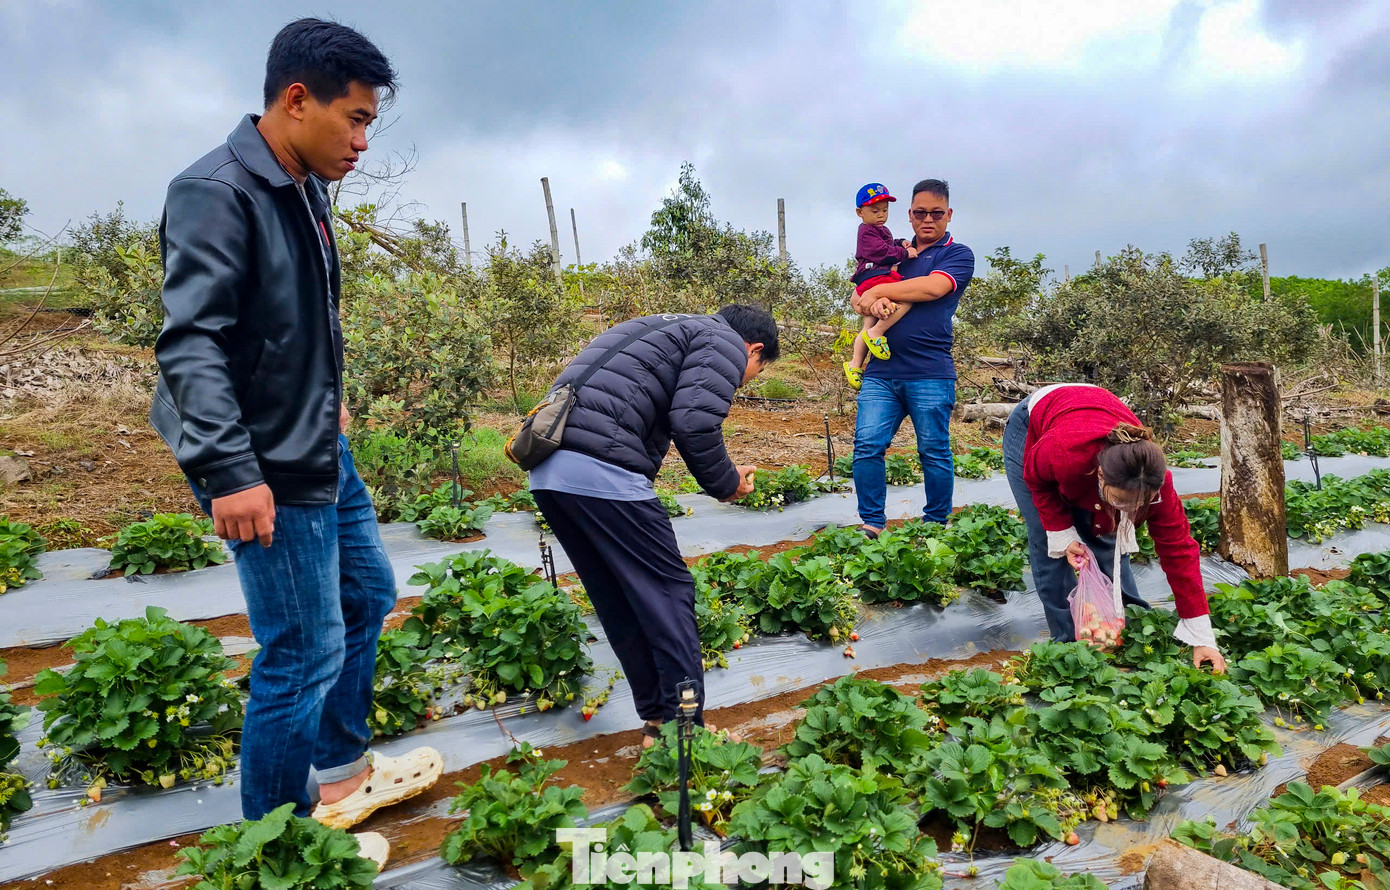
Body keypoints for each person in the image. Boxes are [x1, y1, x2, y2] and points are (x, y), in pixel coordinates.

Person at [149, 18, 438, 868]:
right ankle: (273, 849)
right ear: (295, 98)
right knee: (300, 648)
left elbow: (300, 316)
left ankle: (340, 773)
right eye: (352, 119)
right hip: (259, 459)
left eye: (368, 125)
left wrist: (330, 396)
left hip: (314, 438)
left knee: (366, 593)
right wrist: (231, 472)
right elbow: (192, 342)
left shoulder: (302, 181)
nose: (360, 141)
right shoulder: (216, 190)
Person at [528, 306, 777, 749]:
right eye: (755, 371)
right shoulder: (722, 341)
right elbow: (694, 421)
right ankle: (684, 731)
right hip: (601, 468)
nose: (745, 381)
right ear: (754, 349)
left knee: (621, 598)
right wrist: (727, 482)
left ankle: (661, 723)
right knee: (668, 592)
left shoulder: (661, 326)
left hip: (550, 471)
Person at [1002, 383, 1228, 671]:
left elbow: (1179, 550)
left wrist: (1201, 635)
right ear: (1099, 476)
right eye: (1120, 501)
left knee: (1107, 536)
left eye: (1137, 506)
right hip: (1033, 423)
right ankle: (1069, 648)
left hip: (1090, 415)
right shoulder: (1063, 454)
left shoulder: (1158, 485)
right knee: (1051, 546)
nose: (1129, 512)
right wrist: (1062, 532)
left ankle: (1128, 628)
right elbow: (1036, 480)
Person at [848, 179, 975, 537]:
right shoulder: (894, 251)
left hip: (931, 371)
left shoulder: (957, 254)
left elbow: (933, 287)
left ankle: (935, 523)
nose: (928, 220)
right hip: (881, 372)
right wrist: (864, 298)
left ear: (948, 215)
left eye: (936, 213)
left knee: (933, 449)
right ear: (910, 215)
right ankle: (871, 523)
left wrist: (877, 289)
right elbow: (858, 296)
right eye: (920, 213)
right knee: (867, 445)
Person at [843, 182, 918, 390]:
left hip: (872, 278)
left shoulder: (878, 229)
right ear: (860, 212)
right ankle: (878, 332)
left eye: (885, 210)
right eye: (875, 211)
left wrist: (901, 241)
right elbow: (881, 252)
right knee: (906, 298)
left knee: (867, 322)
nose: (881, 215)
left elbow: (888, 243)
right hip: (875, 276)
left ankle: (854, 364)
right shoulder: (866, 232)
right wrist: (905, 253)